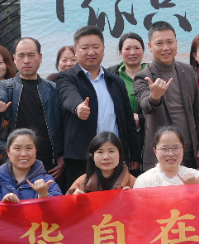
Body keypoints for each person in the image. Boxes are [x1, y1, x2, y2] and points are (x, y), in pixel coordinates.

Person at [57, 26, 142, 183]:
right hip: (81, 160)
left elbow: (128, 120)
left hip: (116, 158)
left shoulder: (116, 81)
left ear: (103, 49)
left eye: (96, 47)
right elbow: (68, 95)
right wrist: (78, 107)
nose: (91, 52)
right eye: (85, 47)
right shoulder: (66, 78)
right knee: (81, 198)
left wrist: (134, 154)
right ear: (75, 51)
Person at [136, 22, 199, 171]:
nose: (166, 48)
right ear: (150, 46)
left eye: (170, 42)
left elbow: (198, 112)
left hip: (189, 152)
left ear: (176, 43)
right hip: (161, 157)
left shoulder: (188, 71)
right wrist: (154, 97)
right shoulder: (143, 76)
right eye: (159, 43)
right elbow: (146, 106)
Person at [0, 37, 65, 183]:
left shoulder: (53, 89)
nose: (26, 61)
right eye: (21, 56)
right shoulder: (6, 86)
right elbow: (0, 99)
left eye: (31, 55)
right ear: (15, 59)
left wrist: (62, 156)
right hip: (15, 163)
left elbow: (62, 125)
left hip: (49, 165)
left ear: (40, 58)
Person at [0, 129, 63, 202]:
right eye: (17, 148)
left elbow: (59, 210)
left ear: (35, 151)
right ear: (8, 151)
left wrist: (44, 195)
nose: (23, 154)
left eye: (29, 148)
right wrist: (2, 205)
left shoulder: (47, 182)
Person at [106, 32, 148, 147]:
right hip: (118, 135)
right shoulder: (109, 75)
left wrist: (141, 118)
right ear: (120, 52)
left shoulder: (153, 74)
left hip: (148, 136)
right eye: (127, 49)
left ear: (143, 50)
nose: (132, 52)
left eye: (137, 48)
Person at [133, 126, 199, 189]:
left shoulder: (196, 176)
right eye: (164, 149)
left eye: (176, 148)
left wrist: (195, 188)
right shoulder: (144, 181)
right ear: (155, 151)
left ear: (183, 149)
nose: (171, 154)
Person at [66, 132, 137, 193]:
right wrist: (74, 200)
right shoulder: (82, 182)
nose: (106, 157)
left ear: (120, 154)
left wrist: (131, 200)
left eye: (111, 151)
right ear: (93, 156)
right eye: (100, 152)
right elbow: (65, 203)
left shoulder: (134, 183)